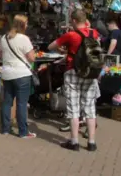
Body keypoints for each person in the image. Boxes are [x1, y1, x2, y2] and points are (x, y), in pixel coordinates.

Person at [48, 10, 99, 152]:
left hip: (73, 72)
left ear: (74, 21)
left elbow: (50, 46)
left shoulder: (71, 35)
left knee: (73, 107)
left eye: (71, 21)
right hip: (90, 73)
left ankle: (74, 141)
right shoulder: (93, 33)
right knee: (89, 108)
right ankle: (91, 142)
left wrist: (63, 50)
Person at [0, 14, 36, 139]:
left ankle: (5, 129)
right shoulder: (24, 39)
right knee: (21, 103)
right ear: (22, 25)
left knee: (7, 102)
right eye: (26, 23)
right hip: (21, 74)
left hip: (7, 73)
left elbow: (1, 55)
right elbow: (32, 58)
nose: (27, 25)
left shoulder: (4, 38)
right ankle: (23, 132)